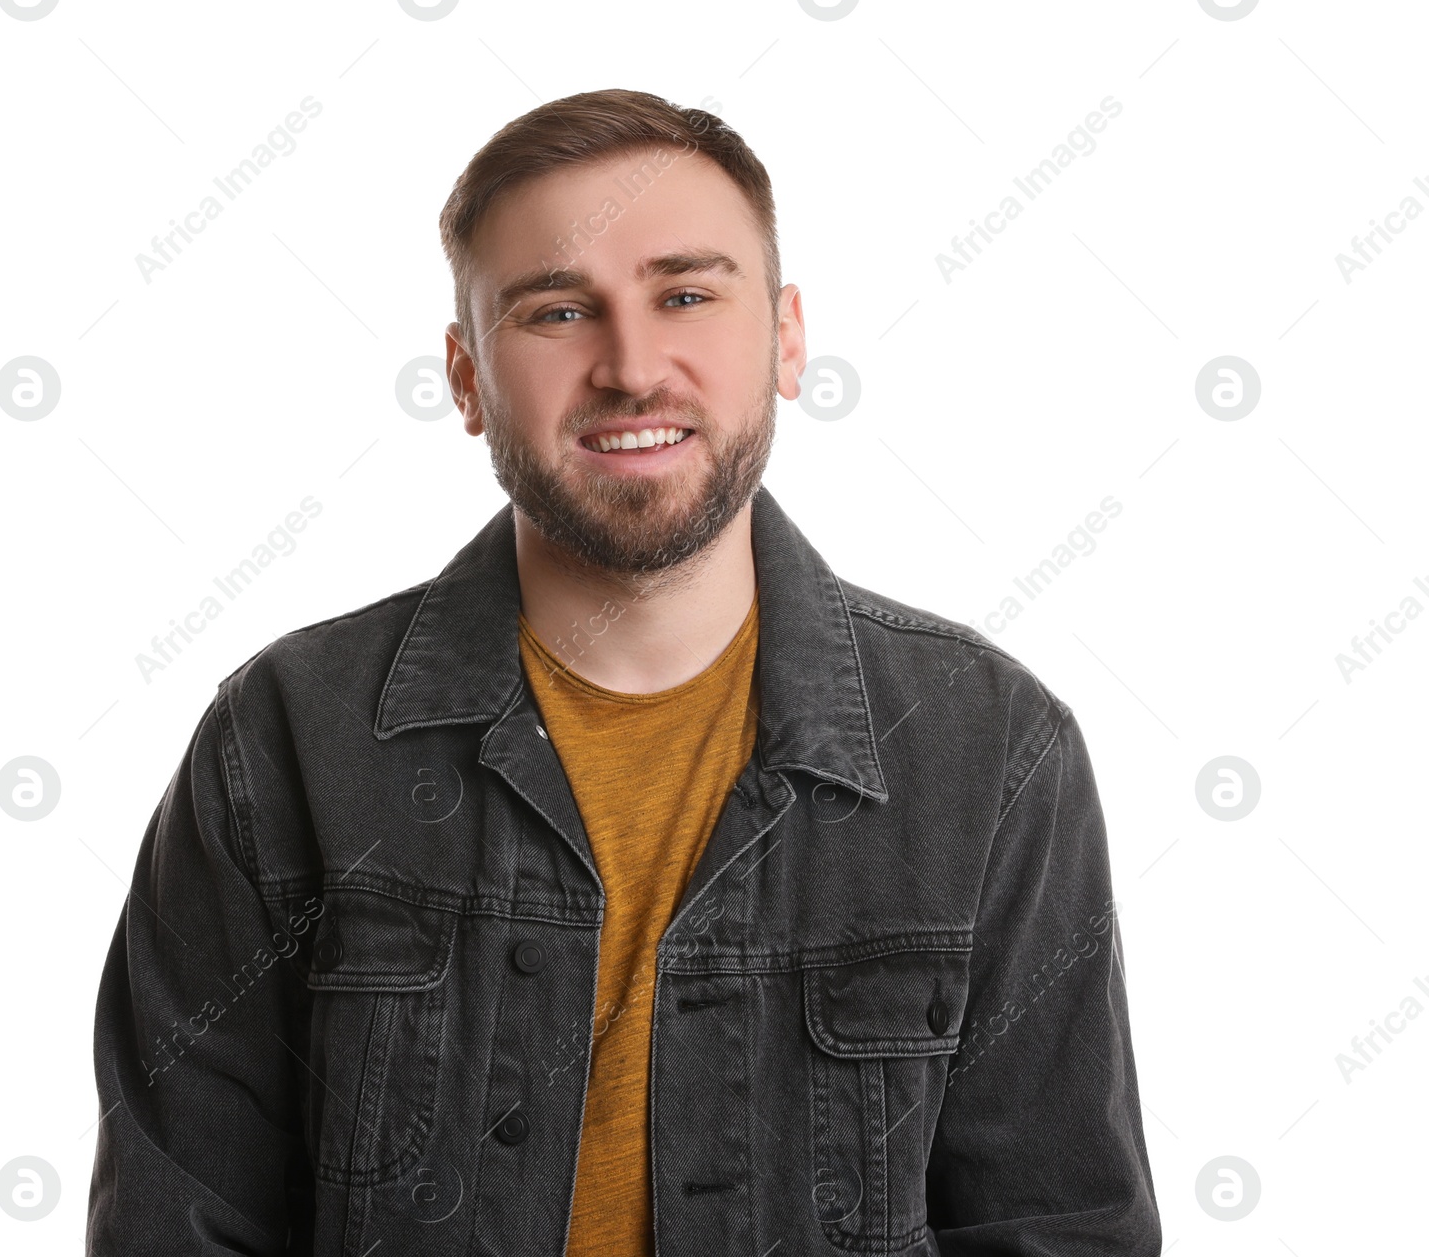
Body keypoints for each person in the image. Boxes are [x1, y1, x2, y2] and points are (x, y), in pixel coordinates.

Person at [86, 88, 1162, 1256]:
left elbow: (1059, 1233)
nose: (631, 366)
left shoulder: (987, 749)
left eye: (687, 295)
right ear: (464, 378)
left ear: (787, 338)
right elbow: (174, 1224)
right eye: (556, 312)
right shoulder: (290, 736)